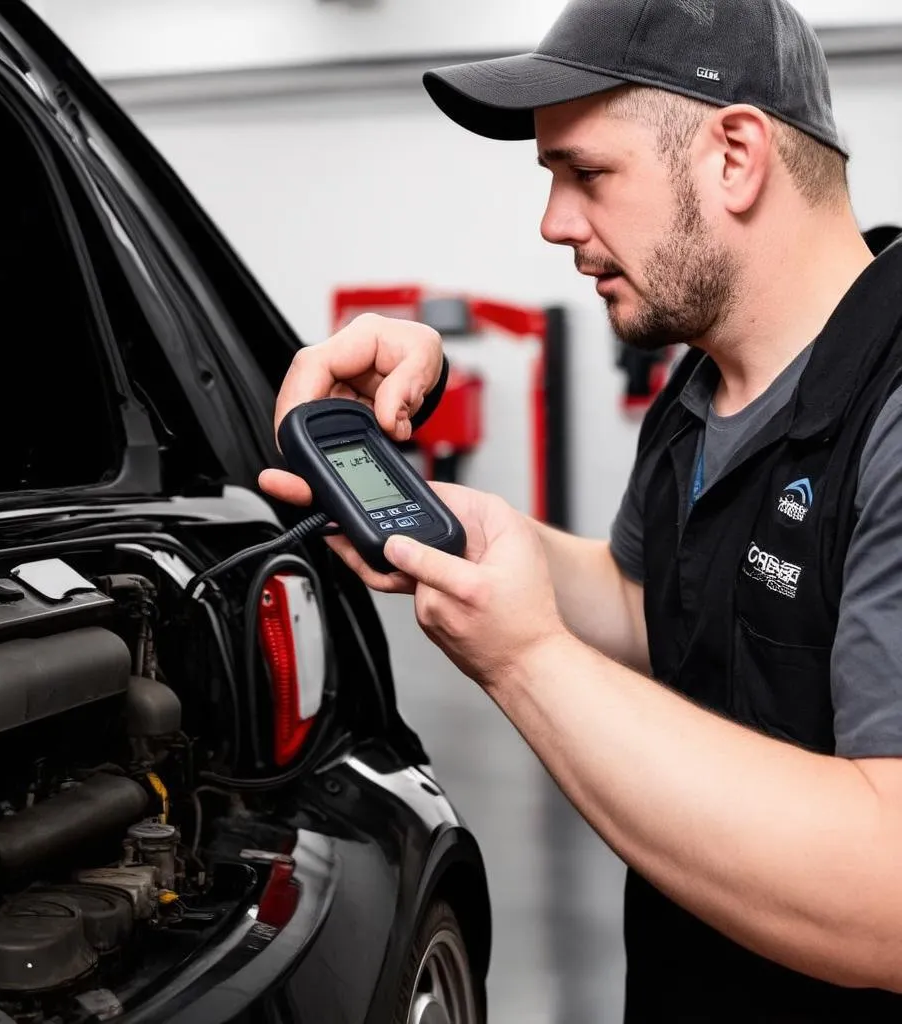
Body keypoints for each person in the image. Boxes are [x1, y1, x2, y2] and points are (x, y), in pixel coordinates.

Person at [261, 0, 902, 1018]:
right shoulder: (698, 396)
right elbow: (649, 607)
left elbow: (888, 898)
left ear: (734, 154)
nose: (553, 222)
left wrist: (521, 657)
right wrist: (451, 529)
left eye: (586, 173)